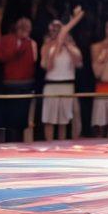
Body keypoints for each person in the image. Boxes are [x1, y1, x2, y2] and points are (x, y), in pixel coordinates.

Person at [0, 6, 38, 143]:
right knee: (9, 120)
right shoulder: (7, 39)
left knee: (23, 120)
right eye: (22, 26)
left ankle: (23, 144)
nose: (25, 29)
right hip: (10, 85)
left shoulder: (32, 43)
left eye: (27, 27)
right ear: (16, 27)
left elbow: (34, 61)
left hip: (26, 85)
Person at [40, 7, 85, 141]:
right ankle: (49, 145)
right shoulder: (47, 46)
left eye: (58, 28)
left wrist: (67, 45)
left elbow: (78, 63)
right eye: (53, 28)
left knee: (63, 120)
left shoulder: (72, 47)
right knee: (49, 119)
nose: (56, 31)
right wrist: (55, 49)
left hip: (67, 85)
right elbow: (46, 66)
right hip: (51, 85)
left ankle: (61, 146)